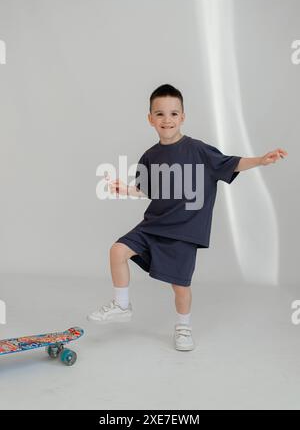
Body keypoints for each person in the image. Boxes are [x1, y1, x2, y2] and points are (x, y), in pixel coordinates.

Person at [87, 84, 288, 351]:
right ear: (150, 119)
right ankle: (121, 305)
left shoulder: (198, 150)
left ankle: (183, 327)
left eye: (173, 113)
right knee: (117, 250)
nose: (166, 120)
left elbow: (230, 163)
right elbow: (147, 189)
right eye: (159, 114)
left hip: (184, 230)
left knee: (180, 287)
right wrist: (123, 189)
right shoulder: (149, 156)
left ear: (182, 117)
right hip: (153, 225)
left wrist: (260, 160)